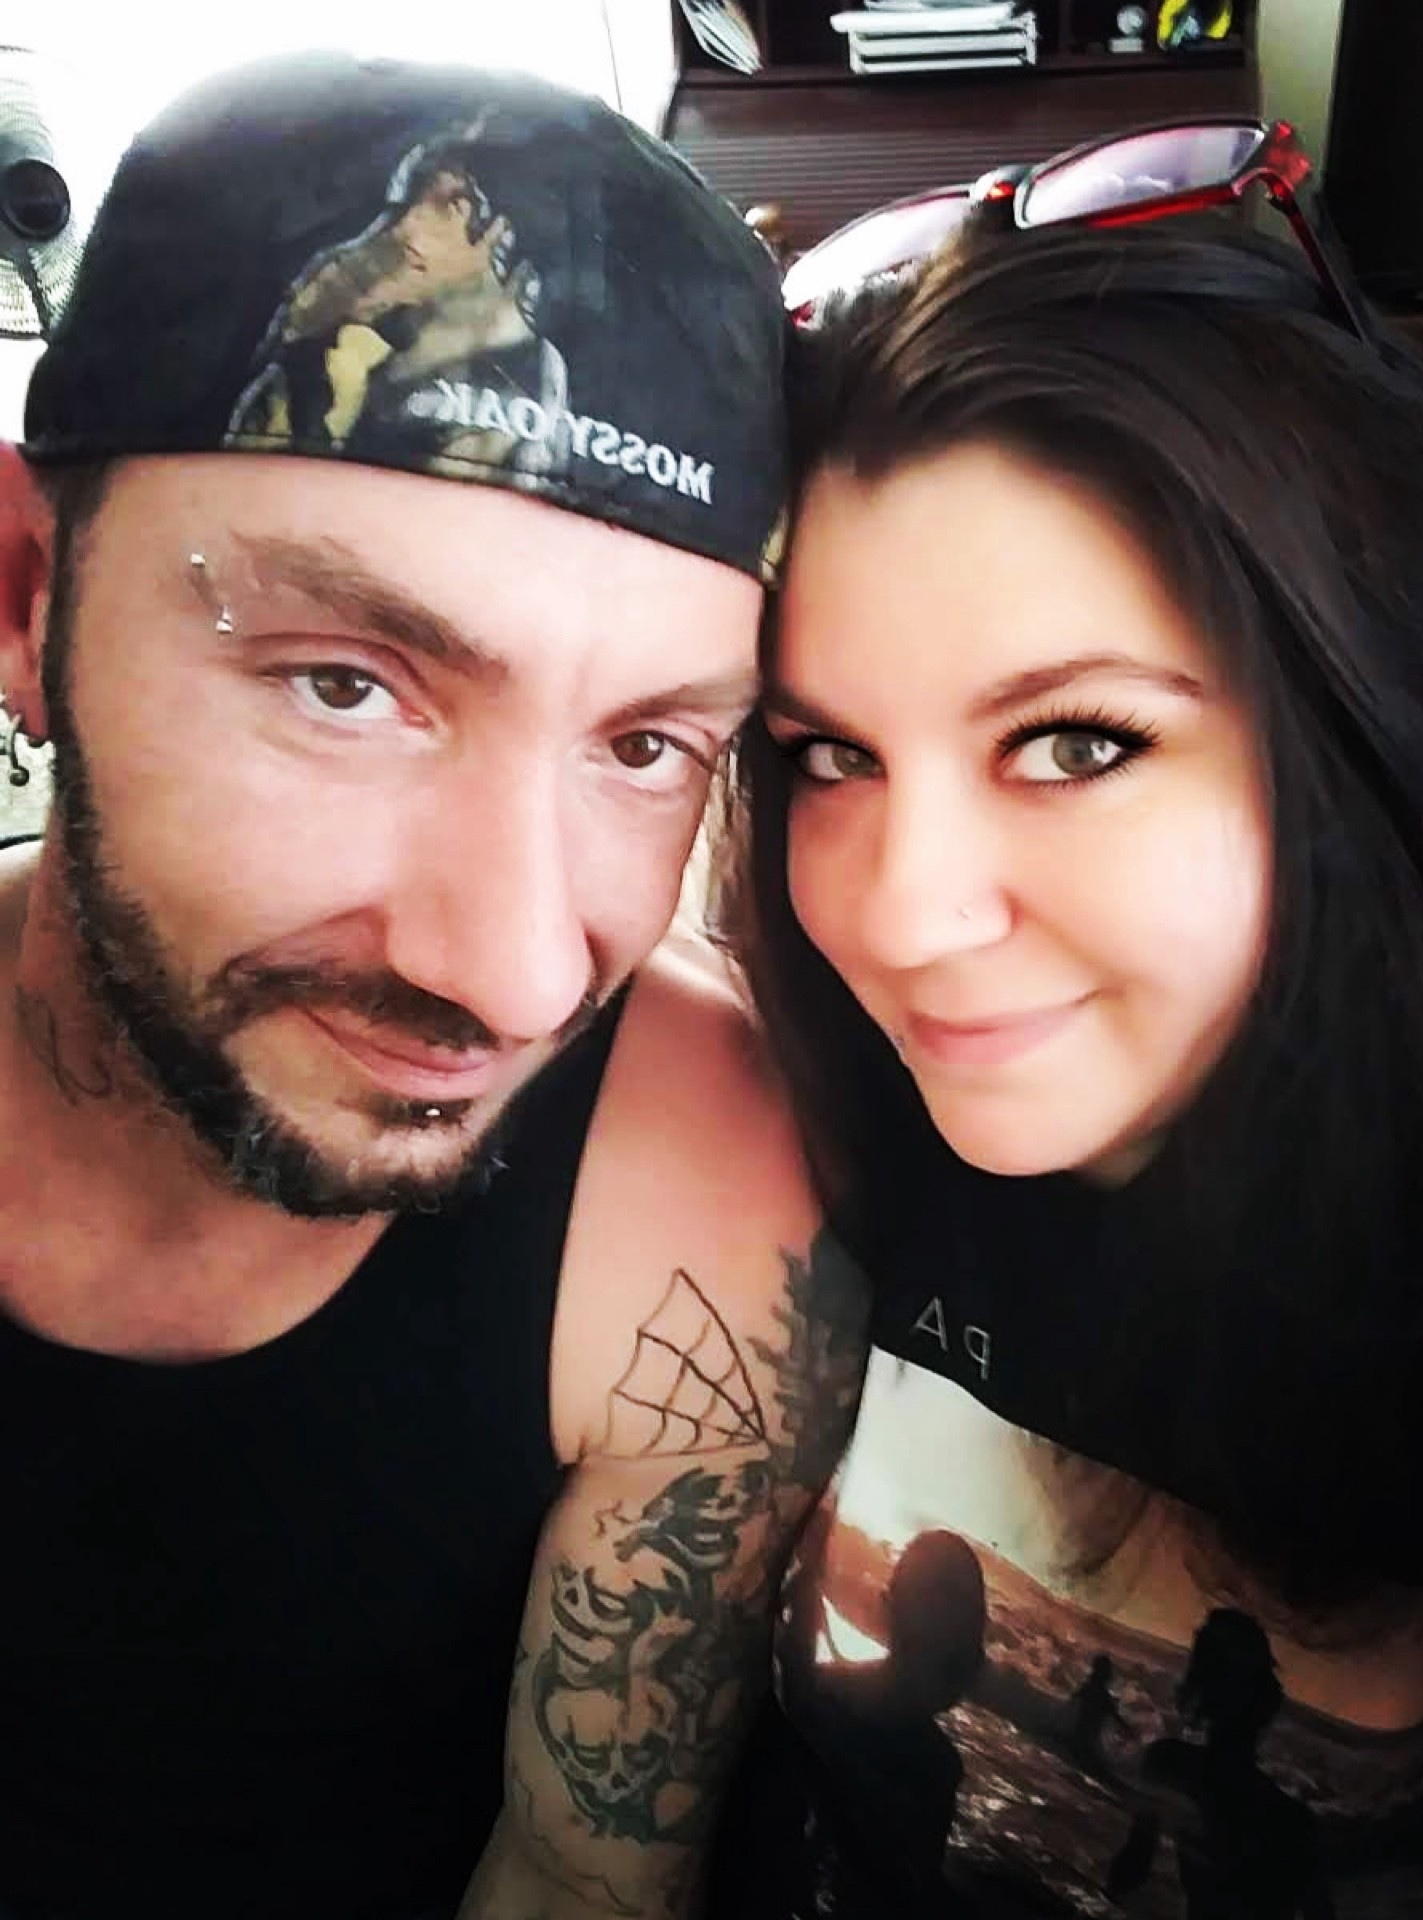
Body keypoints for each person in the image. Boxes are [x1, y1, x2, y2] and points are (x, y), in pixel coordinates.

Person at [0, 51, 866, 1920]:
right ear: (22, 593)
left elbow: (575, 1879)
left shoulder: (691, 1197)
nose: (516, 974)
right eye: (346, 686)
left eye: (647, 746)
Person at [723, 198, 1423, 1917]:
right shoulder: (798, 1130)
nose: (904, 915)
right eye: (829, 756)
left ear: (1357, 735)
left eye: (1077, 743)